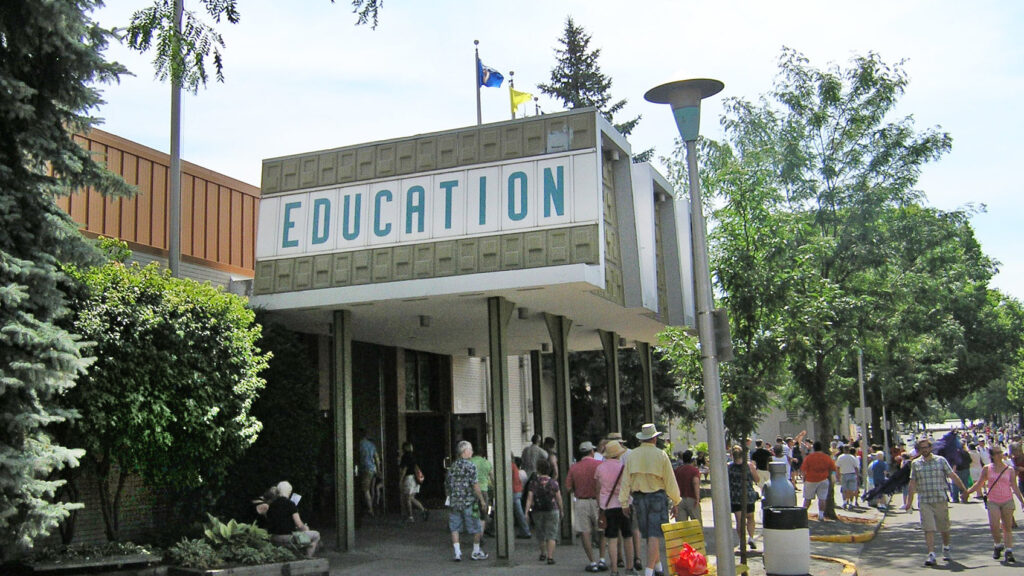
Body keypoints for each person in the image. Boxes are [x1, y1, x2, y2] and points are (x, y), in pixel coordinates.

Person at [620, 423, 680, 576]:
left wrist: (624, 502)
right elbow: (669, 480)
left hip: (639, 497)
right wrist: (676, 500)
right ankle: (649, 571)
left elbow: (626, 479)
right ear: (654, 438)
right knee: (654, 534)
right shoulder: (661, 455)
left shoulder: (632, 455)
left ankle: (658, 567)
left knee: (648, 533)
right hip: (657, 496)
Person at [904, 437, 969, 566]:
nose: (925, 450)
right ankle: (931, 554)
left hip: (940, 499)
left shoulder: (940, 461)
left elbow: (952, 476)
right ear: (919, 450)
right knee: (928, 528)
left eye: (926, 447)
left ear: (931, 448)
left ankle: (946, 547)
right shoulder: (916, 464)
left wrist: (963, 489)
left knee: (944, 528)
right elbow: (912, 483)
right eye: (922, 448)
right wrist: (908, 502)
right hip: (925, 501)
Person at [964, 443, 1024, 563]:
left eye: (1000, 452)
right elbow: (979, 483)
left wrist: (1022, 501)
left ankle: (1009, 550)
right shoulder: (987, 468)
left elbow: (1014, 486)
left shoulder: (1009, 469)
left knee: (1007, 527)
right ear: (992, 455)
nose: (1000, 455)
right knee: (994, 526)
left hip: (1007, 500)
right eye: (997, 453)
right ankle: (997, 545)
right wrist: (967, 492)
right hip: (993, 501)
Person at [445, 440, 489, 562]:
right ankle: (475, 551)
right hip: (469, 501)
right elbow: (475, 485)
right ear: (465, 452)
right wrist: (482, 500)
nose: (472, 452)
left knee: (454, 527)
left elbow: (447, 484)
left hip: (455, 502)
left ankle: (457, 553)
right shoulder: (471, 466)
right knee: (476, 527)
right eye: (470, 450)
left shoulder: (452, 467)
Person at [566, 441, 606, 572]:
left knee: (585, 532)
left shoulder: (574, 468)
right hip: (598, 501)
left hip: (581, 502)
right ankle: (602, 559)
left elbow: (568, 487)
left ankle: (592, 561)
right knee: (601, 530)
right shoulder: (599, 465)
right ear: (592, 452)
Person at [596, 440, 634, 576]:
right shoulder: (624, 468)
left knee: (611, 537)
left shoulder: (600, 468)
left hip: (607, 506)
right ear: (618, 454)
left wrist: (600, 505)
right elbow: (629, 487)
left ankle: (614, 570)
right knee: (627, 536)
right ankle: (629, 567)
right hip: (624, 505)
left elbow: (598, 488)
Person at [266, 481, 320, 558]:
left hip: (274, 537)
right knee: (315, 535)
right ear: (289, 492)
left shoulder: (271, 505)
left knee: (303, 537)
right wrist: (306, 528)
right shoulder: (290, 504)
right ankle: (308, 557)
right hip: (288, 538)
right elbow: (299, 524)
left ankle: (300, 554)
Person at [525, 458, 563, 565]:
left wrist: (526, 511)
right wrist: (562, 510)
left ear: (538, 469)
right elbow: (559, 498)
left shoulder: (534, 482)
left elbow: (529, 497)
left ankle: (543, 553)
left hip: (538, 510)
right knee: (551, 534)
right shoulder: (553, 483)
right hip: (552, 509)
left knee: (540, 533)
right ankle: (550, 557)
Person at [728, 445, 759, 550]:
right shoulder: (749, 466)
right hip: (748, 495)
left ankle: (742, 541)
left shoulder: (729, 467)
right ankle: (751, 537)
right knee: (750, 517)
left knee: (739, 520)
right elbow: (757, 479)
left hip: (735, 496)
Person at [800, 441, 836, 521]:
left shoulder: (809, 457)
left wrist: (804, 478)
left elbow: (803, 469)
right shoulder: (826, 457)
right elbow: (833, 468)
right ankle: (821, 515)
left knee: (807, 498)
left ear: (814, 448)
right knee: (822, 498)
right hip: (823, 479)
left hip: (810, 479)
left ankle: (803, 514)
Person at [399, 441, 428, 522]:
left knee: (407, 498)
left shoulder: (405, 456)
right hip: (415, 478)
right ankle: (423, 510)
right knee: (411, 498)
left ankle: (410, 517)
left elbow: (404, 469)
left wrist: (401, 479)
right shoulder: (414, 456)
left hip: (409, 478)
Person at [469, 450, 494, 535]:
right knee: (484, 513)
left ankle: (474, 531)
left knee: (473, 512)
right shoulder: (486, 463)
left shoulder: (470, 462)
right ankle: (481, 534)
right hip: (483, 490)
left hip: (472, 490)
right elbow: (492, 477)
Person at [673, 450, 702, 522]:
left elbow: (673, 484)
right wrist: (697, 498)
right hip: (691, 498)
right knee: (696, 524)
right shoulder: (694, 470)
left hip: (679, 499)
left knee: (682, 526)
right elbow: (695, 482)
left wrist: (674, 502)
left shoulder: (677, 470)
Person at [358, 428, 380, 518]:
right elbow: (377, 458)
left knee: (365, 490)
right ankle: (373, 505)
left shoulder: (360, 444)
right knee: (372, 489)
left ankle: (370, 509)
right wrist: (378, 470)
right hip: (373, 469)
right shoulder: (371, 445)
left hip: (365, 468)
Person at [511, 457, 532, 539]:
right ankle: (525, 530)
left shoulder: (510, 466)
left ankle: (526, 531)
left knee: (519, 513)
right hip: (519, 491)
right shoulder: (515, 467)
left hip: (513, 491)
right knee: (519, 513)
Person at [836, 445, 860, 509]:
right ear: (849, 450)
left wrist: (837, 475)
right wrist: (857, 476)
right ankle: (851, 503)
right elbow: (856, 467)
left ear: (843, 450)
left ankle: (844, 502)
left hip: (843, 474)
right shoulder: (852, 457)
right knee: (851, 490)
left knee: (844, 489)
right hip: (852, 474)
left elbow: (837, 467)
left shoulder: (840, 457)